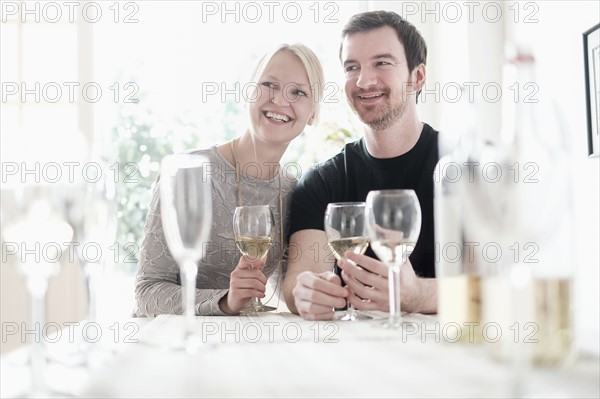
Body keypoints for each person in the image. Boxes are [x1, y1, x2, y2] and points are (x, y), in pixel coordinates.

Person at [134, 43, 324, 316]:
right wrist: (225, 300)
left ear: (313, 114)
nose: (281, 101)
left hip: (239, 346)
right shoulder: (187, 172)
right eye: (269, 84)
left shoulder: (295, 192)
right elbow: (147, 291)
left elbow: (293, 290)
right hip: (172, 343)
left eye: (299, 92)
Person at [283, 10, 439, 320]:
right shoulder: (320, 183)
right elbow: (299, 282)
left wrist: (416, 294)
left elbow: (502, 285)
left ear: (417, 77)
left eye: (382, 63)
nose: (364, 81)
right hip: (354, 358)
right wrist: (307, 295)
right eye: (352, 67)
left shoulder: (467, 168)